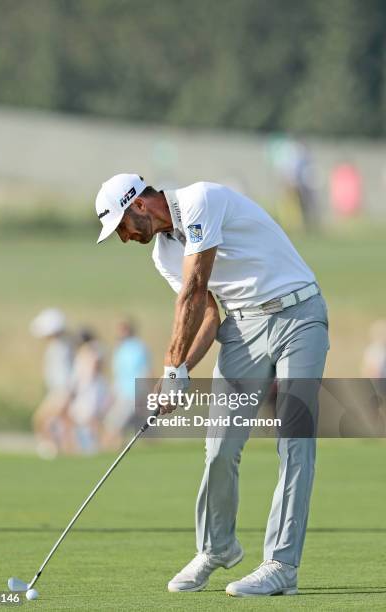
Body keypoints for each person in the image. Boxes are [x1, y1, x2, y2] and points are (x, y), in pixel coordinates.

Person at [94, 174, 329, 597]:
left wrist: (169, 368)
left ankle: (281, 565)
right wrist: (181, 372)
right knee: (220, 445)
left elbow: (195, 287)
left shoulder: (202, 199)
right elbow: (206, 315)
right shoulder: (163, 255)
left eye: (122, 228)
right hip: (242, 329)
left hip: (299, 314)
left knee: (295, 439)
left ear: (140, 207)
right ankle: (217, 548)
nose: (124, 239)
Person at [30, 308, 74, 457]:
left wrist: (66, 394)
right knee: (47, 419)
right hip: (56, 390)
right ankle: (55, 448)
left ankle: (61, 449)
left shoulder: (63, 347)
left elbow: (66, 373)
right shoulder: (57, 346)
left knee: (52, 420)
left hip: (62, 391)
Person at [104, 318, 151, 447]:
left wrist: (143, 393)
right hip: (122, 394)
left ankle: (114, 451)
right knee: (133, 426)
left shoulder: (138, 347)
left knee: (114, 424)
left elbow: (144, 371)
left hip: (133, 393)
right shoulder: (119, 349)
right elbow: (118, 375)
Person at [68, 328, 112, 453]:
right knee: (81, 418)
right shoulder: (85, 351)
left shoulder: (93, 350)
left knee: (91, 419)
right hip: (84, 390)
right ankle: (86, 445)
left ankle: (97, 445)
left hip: (92, 390)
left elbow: (95, 367)